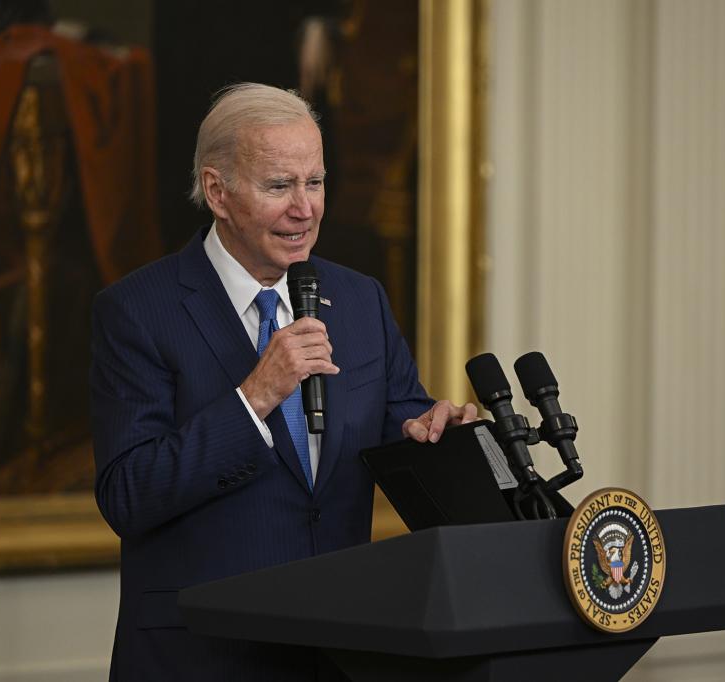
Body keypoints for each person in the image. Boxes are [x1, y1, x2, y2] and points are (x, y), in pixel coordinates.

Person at [90, 82, 476, 681]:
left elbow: (404, 430)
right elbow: (128, 495)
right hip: (204, 654)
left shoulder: (358, 300)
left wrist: (440, 436)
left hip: (341, 651)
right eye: (279, 186)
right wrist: (255, 397)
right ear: (218, 192)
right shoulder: (138, 310)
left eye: (315, 182)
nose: (306, 208)